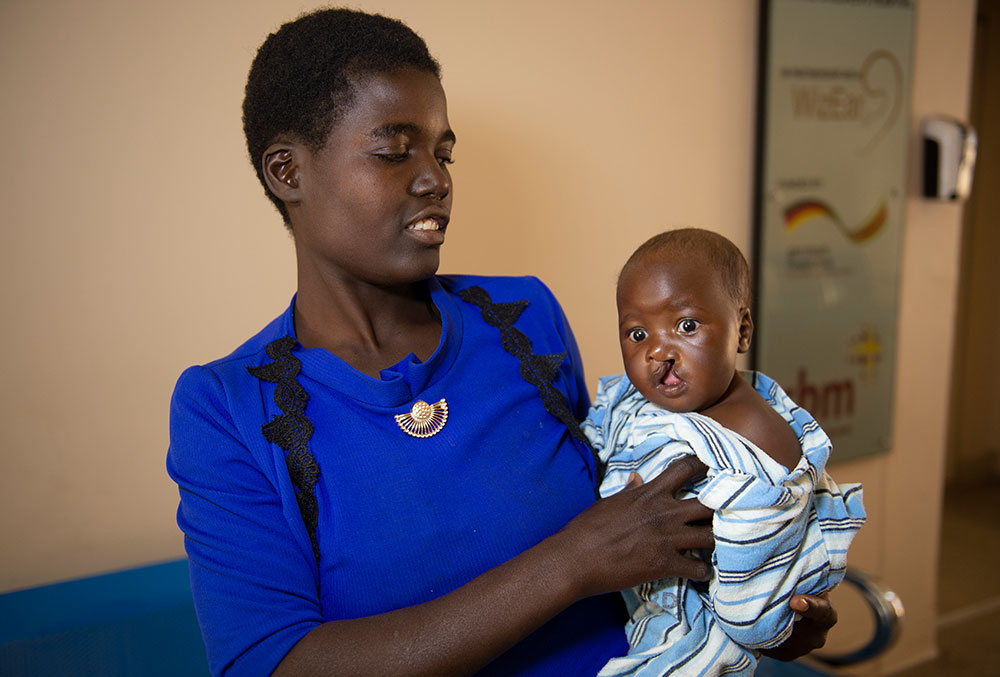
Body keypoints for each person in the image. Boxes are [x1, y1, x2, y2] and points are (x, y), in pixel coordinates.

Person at [167, 9, 838, 676]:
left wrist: (756, 606)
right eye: (394, 150)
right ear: (289, 171)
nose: (436, 178)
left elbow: (638, 517)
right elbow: (272, 664)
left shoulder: (525, 317)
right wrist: (569, 564)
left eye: (442, 152)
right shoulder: (226, 407)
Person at [582, 229, 865, 676]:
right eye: (637, 333)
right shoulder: (633, 402)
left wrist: (757, 621)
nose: (659, 351)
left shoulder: (757, 437)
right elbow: (598, 436)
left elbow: (750, 605)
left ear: (742, 331)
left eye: (687, 326)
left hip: (698, 619)